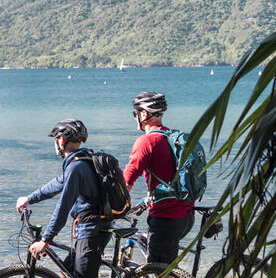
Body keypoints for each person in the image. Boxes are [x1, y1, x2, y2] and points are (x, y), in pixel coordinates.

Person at [15, 119, 112, 278]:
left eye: (56, 139)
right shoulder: (83, 159)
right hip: (95, 227)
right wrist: (29, 199)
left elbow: (63, 206)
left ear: (61, 140)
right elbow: (57, 184)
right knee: (66, 271)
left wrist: (46, 239)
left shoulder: (76, 167)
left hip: (91, 233)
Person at [122, 92, 195, 264]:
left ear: (144, 114)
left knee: (159, 271)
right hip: (186, 216)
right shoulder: (173, 138)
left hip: (166, 218)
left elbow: (126, 182)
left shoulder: (146, 142)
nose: (135, 118)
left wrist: (111, 209)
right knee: (164, 265)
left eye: (135, 114)